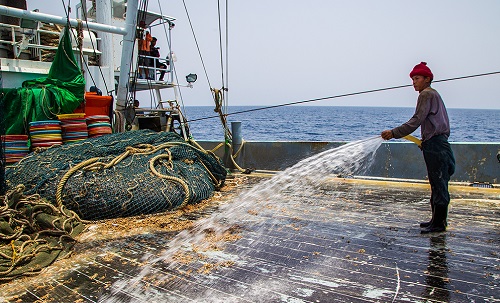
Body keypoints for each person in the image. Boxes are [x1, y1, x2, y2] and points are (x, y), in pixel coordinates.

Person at [381, 62, 455, 234]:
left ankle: (438, 224)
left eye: (417, 78)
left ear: (427, 79)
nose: (414, 82)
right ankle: (436, 220)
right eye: (413, 79)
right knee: (437, 183)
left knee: (438, 184)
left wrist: (393, 133)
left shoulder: (426, 95)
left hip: (435, 145)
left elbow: (416, 120)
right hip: (438, 144)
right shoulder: (433, 94)